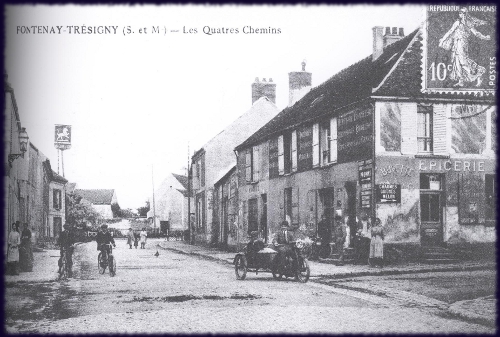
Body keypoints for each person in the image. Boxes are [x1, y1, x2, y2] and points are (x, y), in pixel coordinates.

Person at [439, 7, 491, 87]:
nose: (460, 14)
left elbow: (476, 33)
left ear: (465, 14)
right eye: (460, 13)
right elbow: (450, 32)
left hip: (463, 44)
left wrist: (485, 37)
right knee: (456, 61)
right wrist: (443, 40)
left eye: (462, 13)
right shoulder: (457, 22)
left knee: (463, 62)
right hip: (456, 44)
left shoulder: (468, 23)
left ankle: (479, 73)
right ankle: (461, 81)